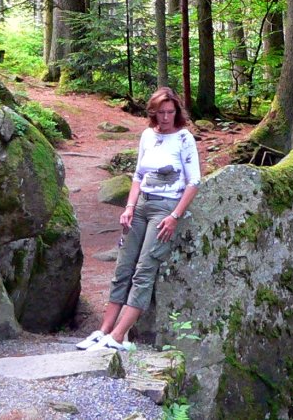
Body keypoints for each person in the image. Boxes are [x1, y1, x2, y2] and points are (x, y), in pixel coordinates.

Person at [77, 87, 201, 351]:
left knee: (144, 270)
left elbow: (194, 182)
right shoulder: (147, 135)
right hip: (142, 204)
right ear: (153, 113)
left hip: (165, 208)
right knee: (123, 269)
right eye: (161, 112)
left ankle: (119, 337)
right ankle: (103, 330)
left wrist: (174, 216)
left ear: (177, 112)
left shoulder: (183, 138)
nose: (166, 117)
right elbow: (138, 175)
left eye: (170, 112)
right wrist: (129, 207)